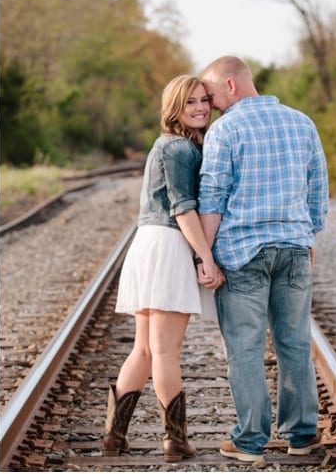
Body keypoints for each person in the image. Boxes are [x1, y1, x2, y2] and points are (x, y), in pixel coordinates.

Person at [197, 55, 329, 463]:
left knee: (245, 347)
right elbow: (317, 189)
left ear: (231, 86)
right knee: (294, 342)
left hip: (242, 253)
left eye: (213, 95)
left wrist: (206, 258)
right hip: (293, 248)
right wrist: (308, 237)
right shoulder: (301, 122)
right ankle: (302, 434)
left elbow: (213, 199)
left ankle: (251, 441)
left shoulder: (225, 131)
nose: (211, 104)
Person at [105, 75, 225, 462]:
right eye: (190, 102)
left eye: (204, 100)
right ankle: (174, 440)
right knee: (164, 352)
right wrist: (206, 257)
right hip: (169, 244)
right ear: (173, 108)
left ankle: (113, 436)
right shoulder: (179, 149)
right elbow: (183, 208)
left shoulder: (168, 146)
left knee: (143, 349)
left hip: (149, 243)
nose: (200, 108)